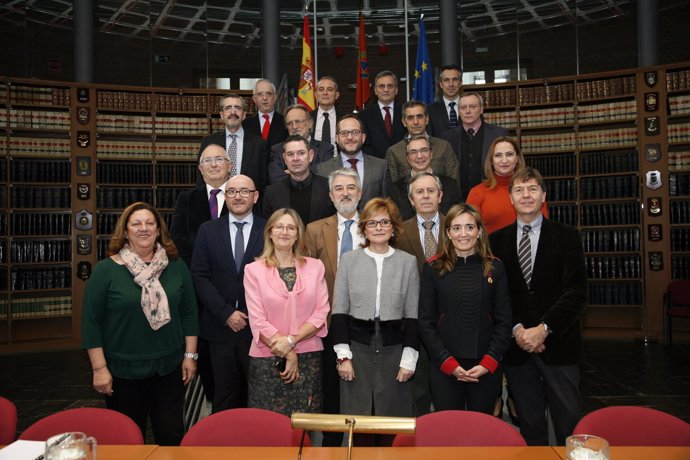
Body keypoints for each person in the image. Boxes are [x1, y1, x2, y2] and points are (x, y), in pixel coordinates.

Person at [82, 202, 199, 446]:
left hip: (169, 369)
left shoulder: (176, 267)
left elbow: (189, 313)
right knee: (126, 442)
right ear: (125, 232)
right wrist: (99, 369)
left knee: (171, 437)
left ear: (158, 231)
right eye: (136, 224)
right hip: (122, 372)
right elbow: (91, 323)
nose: (143, 229)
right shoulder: (105, 271)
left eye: (149, 224)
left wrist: (190, 355)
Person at [490, 167, 587, 446]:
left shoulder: (567, 236)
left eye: (532, 189)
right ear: (510, 198)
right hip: (517, 349)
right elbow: (498, 295)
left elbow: (577, 292)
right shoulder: (496, 241)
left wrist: (544, 329)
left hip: (559, 346)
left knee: (569, 426)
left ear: (543, 195)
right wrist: (519, 329)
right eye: (519, 190)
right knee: (530, 427)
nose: (526, 195)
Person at [331, 197, 420, 446]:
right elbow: (339, 311)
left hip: (395, 350)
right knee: (357, 420)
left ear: (393, 227)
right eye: (372, 222)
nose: (379, 227)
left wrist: (409, 360)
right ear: (364, 228)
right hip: (356, 348)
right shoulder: (349, 260)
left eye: (384, 222)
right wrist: (343, 357)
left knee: (393, 420)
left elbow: (413, 315)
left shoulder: (407, 262)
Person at [418, 204, 512, 414]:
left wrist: (488, 363)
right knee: (449, 435)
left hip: (485, 368)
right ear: (448, 233)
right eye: (456, 228)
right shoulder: (433, 268)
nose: (463, 234)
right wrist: (449, 364)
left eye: (469, 227)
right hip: (445, 368)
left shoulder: (496, 268)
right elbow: (425, 323)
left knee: (481, 435)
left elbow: (504, 322)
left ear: (479, 232)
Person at [243, 208, 330, 417]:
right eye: (279, 227)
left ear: (298, 233)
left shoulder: (315, 266)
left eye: (291, 227)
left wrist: (291, 341)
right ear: (270, 233)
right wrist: (289, 352)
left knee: (304, 425)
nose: (285, 232)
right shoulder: (253, 270)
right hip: (267, 359)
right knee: (268, 425)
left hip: (308, 358)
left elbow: (321, 312)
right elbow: (257, 320)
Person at [190, 175, 266, 413]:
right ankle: (224, 449)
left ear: (255, 196)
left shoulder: (270, 230)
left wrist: (250, 314)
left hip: (259, 330)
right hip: (219, 328)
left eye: (244, 191)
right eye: (232, 192)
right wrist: (226, 313)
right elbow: (199, 276)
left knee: (260, 398)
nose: (238, 197)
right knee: (224, 398)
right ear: (225, 197)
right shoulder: (208, 230)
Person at [305, 168, 364, 446]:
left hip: (366, 323)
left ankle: (363, 442)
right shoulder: (315, 229)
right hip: (327, 322)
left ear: (360, 193)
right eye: (339, 188)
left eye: (351, 187)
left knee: (364, 385)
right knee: (330, 386)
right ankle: (330, 443)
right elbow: (305, 278)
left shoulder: (376, 226)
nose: (345, 193)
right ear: (330, 195)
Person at [170, 143, 231, 406]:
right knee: (207, 359)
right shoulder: (187, 199)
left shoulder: (243, 195)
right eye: (208, 161)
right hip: (197, 289)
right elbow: (178, 240)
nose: (214, 164)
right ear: (200, 168)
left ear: (230, 166)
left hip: (234, 293)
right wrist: (205, 268)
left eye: (220, 159)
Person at [394, 172, 448, 417]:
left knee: (449, 394)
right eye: (419, 192)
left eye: (430, 191)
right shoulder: (398, 233)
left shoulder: (458, 227)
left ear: (440, 196)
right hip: (412, 322)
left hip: (450, 323)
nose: (425, 196)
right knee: (417, 395)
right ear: (411, 199)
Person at [467, 136, 548, 234]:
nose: (504, 160)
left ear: (517, 158)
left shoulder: (531, 190)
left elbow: (544, 226)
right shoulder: (477, 192)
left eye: (509, 154)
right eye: (498, 155)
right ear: (491, 161)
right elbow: (470, 231)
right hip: (491, 248)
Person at [441, 92, 509, 197]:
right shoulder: (448, 138)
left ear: (481, 109)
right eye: (463, 107)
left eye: (472, 107)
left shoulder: (498, 134)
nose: (467, 111)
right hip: (458, 199)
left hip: (491, 194)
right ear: (458, 111)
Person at [316, 113, 389, 209]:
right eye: (344, 133)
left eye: (355, 132)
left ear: (363, 138)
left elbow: (386, 204)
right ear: (337, 139)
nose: (350, 137)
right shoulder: (323, 169)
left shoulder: (381, 166)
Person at [197, 93, 268, 192]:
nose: (233, 112)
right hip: (216, 200)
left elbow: (264, 181)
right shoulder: (209, 141)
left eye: (237, 108)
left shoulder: (259, 144)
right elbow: (201, 176)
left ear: (244, 115)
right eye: (228, 108)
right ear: (222, 115)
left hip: (248, 202)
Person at [262, 135, 335, 225]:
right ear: (284, 159)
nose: (295, 158)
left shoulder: (329, 188)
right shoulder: (272, 193)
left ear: (311, 156)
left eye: (301, 153)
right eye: (290, 154)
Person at [385, 100, 459, 184]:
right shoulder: (394, 152)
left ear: (427, 119)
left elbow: (454, 183)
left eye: (419, 116)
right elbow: (393, 189)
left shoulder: (444, 146)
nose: (416, 122)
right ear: (404, 122)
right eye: (410, 118)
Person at [390, 136, 462, 221]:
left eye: (424, 150)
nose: (419, 156)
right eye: (413, 152)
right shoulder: (395, 189)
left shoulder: (450, 185)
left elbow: (457, 217)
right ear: (407, 158)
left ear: (431, 154)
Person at [267, 104, 334, 184]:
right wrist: (311, 171)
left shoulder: (325, 149)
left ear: (310, 123)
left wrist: (293, 173)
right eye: (289, 123)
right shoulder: (277, 150)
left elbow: (325, 176)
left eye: (298, 121)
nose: (294, 127)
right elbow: (275, 178)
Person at [359, 71, 406, 158]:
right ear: (375, 91)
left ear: (396, 90)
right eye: (382, 86)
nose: (386, 90)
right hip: (375, 165)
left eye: (390, 86)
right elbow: (364, 144)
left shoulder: (406, 112)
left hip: (403, 163)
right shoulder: (364, 115)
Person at [242, 79, 289, 148]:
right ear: (254, 99)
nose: (264, 98)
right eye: (260, 94)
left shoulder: (285, 121)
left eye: (268, 94)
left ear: (275, 98)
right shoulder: (245, 124)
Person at [427, 64, 463, 137]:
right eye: (446, 80)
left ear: (460, 83)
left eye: (455, 79)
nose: (451, 84)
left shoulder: (469, 107)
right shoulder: (430, 110)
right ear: (441, 84)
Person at [312, 76, 344, 150]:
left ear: (336, 95)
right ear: (316, 95)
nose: (325, 93)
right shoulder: (307, 118)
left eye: (330, 90)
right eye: (321, 89)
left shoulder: (345, 118)